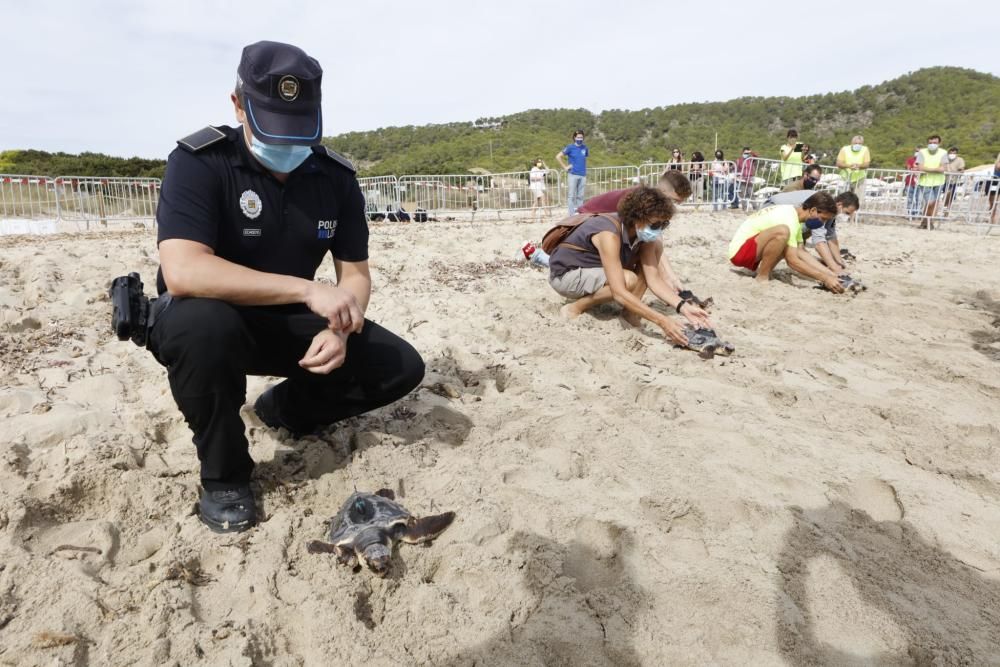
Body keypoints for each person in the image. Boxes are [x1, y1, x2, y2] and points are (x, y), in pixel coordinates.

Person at [149, 41, 425, 533]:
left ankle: (283, 408)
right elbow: (184, 271)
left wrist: (340, 330)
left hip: (288, 321)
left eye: (300, 130)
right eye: (273, 125)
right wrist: (306, 290)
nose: (288, 145)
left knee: (399, 366)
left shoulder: (334, 176)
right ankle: (225, 475)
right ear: (238, 105)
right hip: (210, 316)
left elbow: (355, 275)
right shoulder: (200, 161)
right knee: (201, 327)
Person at [548, 186, 710, 341]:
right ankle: (574, 308)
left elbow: (653, 279)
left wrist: (683, 307)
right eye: (655, 224)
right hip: (566, 276)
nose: (659, 229)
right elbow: (618, 291)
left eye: (664, 224)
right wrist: (662, 321)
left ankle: (630, 313)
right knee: (628, 280)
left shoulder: (645, 236)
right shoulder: (608, 233)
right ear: (637, 218)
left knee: (651, 253)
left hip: (595, 273)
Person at [728, 191, 845, 292]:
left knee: (789, 243)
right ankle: (762, 276)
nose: (823, 223)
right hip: (739, 253)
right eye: (823, 219)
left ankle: (765, 272)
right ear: (813, 210)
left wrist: (830, 274)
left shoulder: (794, 217)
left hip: (751, 249)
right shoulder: (788, 218)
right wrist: (824, 278)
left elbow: (801, 251)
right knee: (782, 232)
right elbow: (792, 261)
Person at [763, 190, 860, 273]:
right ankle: (765, 270)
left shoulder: (831, 210)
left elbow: (831, 236)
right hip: (770, 208)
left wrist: (839, 263)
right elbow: (819, 242)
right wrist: (835, 269)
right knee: (806, 231)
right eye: (847, 212)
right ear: (839, 205)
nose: (846, 216)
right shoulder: (824, 206)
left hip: (783, 214)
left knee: (802, 240)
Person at [915, 134, 950, 229]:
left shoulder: (943, 152)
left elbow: (943, 168)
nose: (932, 144)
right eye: (930, 143)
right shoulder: (922, 152)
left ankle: (927, 222)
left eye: (935, 143)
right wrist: (935, 169)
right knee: (930, 202)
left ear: (939, 143)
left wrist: (927, 169)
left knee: (934, 204)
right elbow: (920, 167)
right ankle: (927, 221)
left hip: (939, 182)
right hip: (925, 181)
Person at [556, 130, 588, 215]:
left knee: (580, 196)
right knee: (571, 196)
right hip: (573, 174)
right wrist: (565, 167)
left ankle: (580, 213)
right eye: (578, 137)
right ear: (574, 138)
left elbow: (583, 159)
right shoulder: (570, 147)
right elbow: (558, 156)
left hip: (583, 175)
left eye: (581, 137)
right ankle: (571, 215)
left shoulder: (585, 148)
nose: (580, 139)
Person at [942, 146, 965, 213]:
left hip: (954, 180)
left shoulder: (960, 160)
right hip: (944, 179)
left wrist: (956, 173)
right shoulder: (945, 159)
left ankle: (947, 209)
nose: (952, 154)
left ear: (956, 154)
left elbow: (962, 170)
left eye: (954, 153)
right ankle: (945, 206)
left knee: (950, 194)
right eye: (951, 153)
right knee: (945, 194)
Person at [904, 146, 922, 219]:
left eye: (919, 151)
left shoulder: (924, 161)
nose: (917, 153)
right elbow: (908, 169)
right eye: (916, 151)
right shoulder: (910, 160)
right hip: (909, 182)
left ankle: (918, 213)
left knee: (919, 199)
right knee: (910, 199)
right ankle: (910, 213)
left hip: (920, 182)